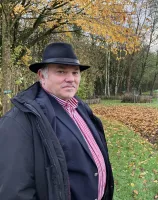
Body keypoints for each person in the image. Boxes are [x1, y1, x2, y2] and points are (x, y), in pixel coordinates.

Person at [0, 42, 114, 200]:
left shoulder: (80, 108)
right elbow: (14, 191)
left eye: (75, 73)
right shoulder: (19, 121)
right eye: (61, 72)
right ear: (41, 76)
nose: (71, 79)